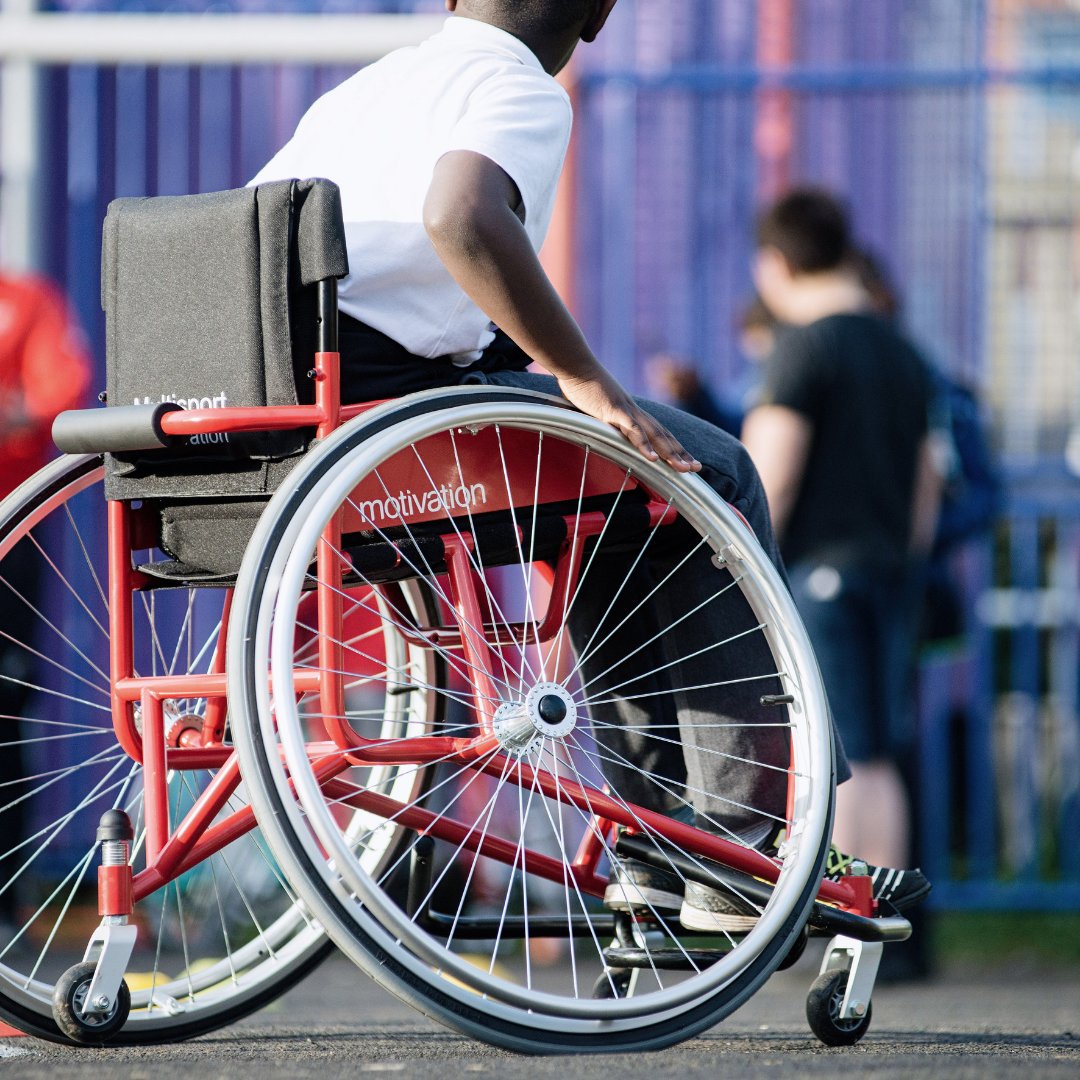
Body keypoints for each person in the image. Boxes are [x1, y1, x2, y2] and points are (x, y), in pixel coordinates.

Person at [252, 1, 927, 931]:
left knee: (614, 510)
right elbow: (460, 215)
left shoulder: (360, 94)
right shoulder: (516, 84)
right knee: (712, 470)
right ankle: (752, 834)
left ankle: (658, 838)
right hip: (388, 422)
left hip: (266, 424)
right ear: (599, 16)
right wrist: (582, 375)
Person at [742, 188, 938, 921]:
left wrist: (748, 560)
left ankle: (845, 918)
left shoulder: (803, 345)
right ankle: (883, 926)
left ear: (775, 264)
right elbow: (927, 481)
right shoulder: (903, 350)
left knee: (837, 753)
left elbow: (771, 474)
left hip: (818, 569)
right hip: (889, 567)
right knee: (879, 752)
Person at [0, 269, 92, 933]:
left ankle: (4, 899)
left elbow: (58, 395)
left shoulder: (24, 300)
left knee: (7, 708)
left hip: (11, 533)